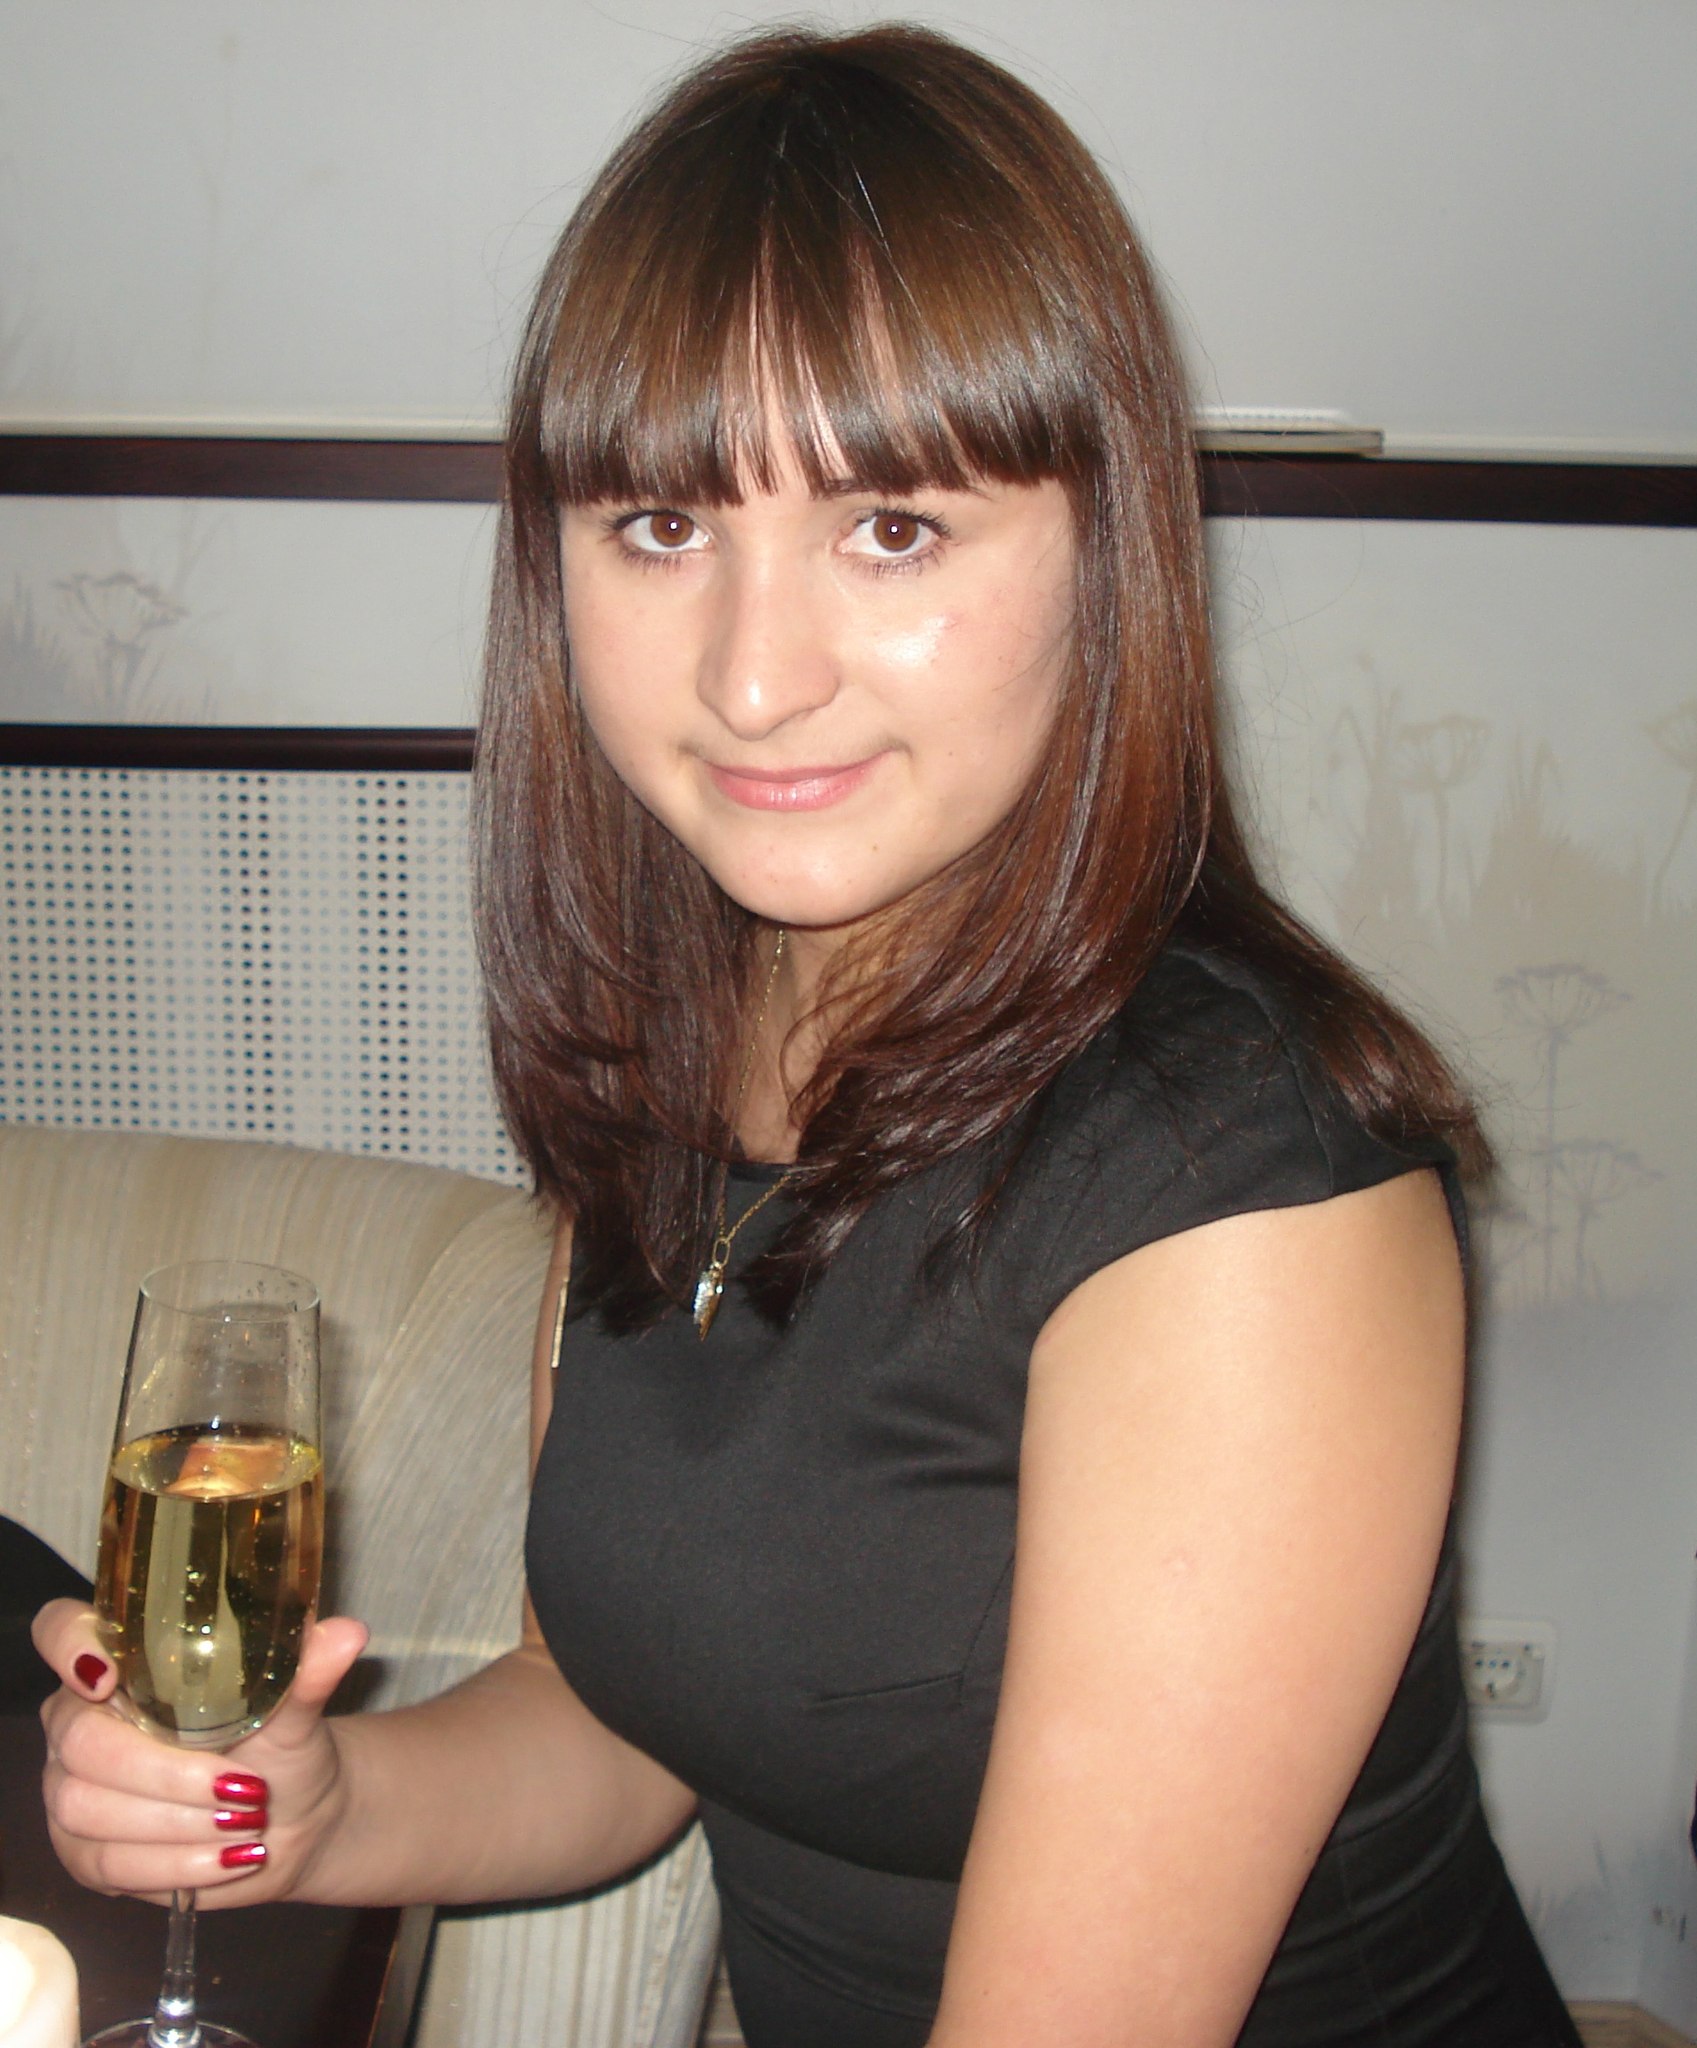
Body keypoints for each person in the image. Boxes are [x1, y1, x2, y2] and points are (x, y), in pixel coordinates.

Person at [33, 25, 1581, 2047]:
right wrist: (310, 1812)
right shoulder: (681, 1048)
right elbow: (623, 1717)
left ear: (1107, 554)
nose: (754, 678)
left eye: (893, 528)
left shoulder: (1242, 1204)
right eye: (663, 527)